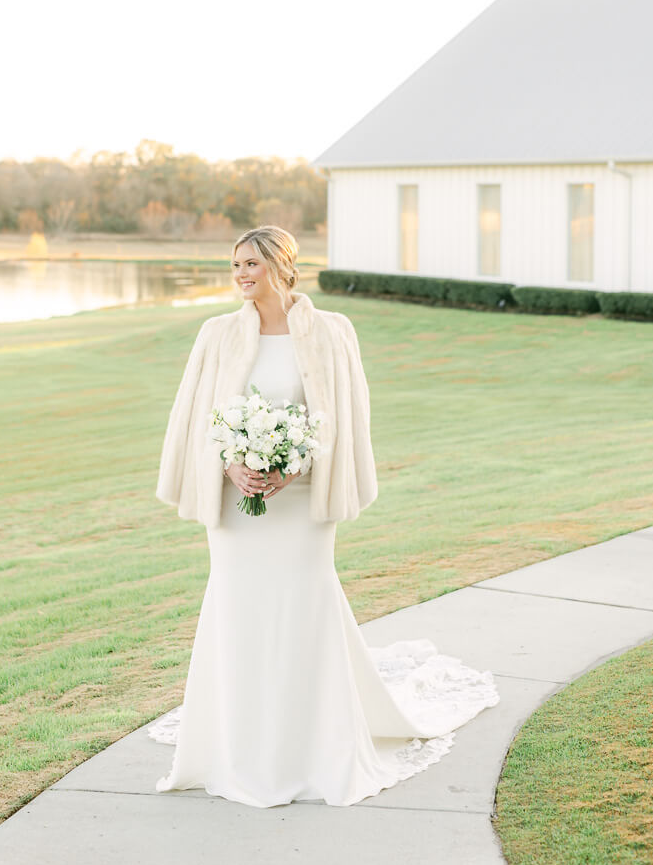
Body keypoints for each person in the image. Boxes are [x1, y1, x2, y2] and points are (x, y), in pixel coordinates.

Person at [147, 225, 499, 807]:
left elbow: (342, 417)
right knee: (239, 611)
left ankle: (313, 750)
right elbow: (197, 418)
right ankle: (238, 750)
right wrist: (232, 465)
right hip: (237, 511)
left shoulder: (333, 333)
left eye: (251, 265)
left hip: (304, 507)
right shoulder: (215, 335)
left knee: (302, 610)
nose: (240, 275)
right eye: (235, 265)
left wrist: (293, 468)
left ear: (281, 267)